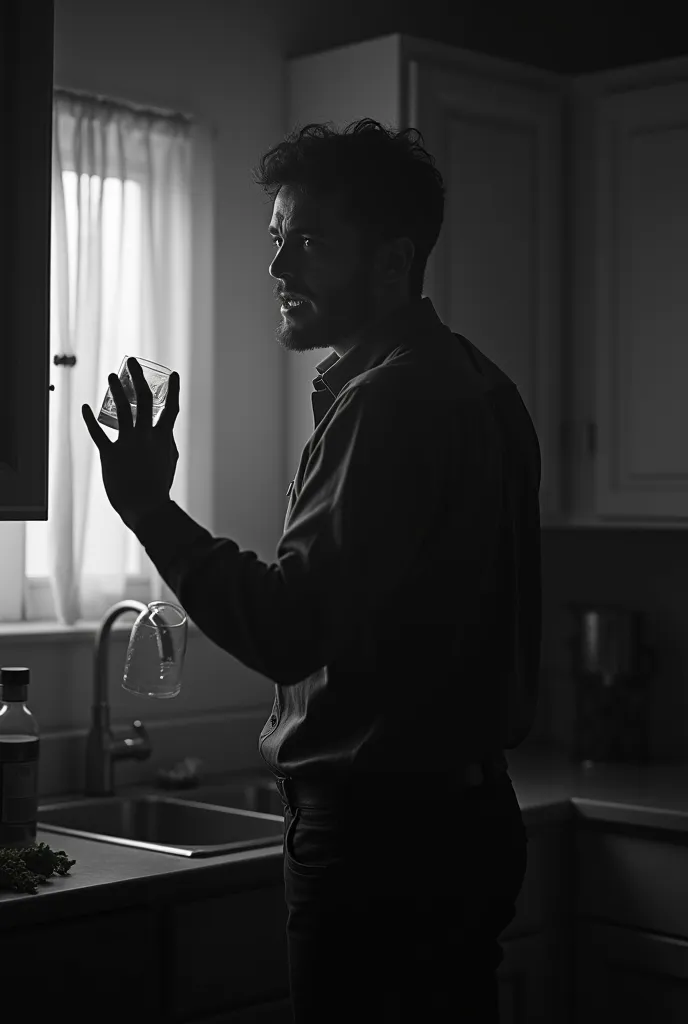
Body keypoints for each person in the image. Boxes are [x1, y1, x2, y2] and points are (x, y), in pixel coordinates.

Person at [82, 118, 541, 1024]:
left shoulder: (392, 400)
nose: (278, 267)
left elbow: (289, 626)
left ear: (392, 259)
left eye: (310, 240)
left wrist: (146, 506)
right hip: (460, 822)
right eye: (276, 238)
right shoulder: (476, 382)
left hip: (383, 844)